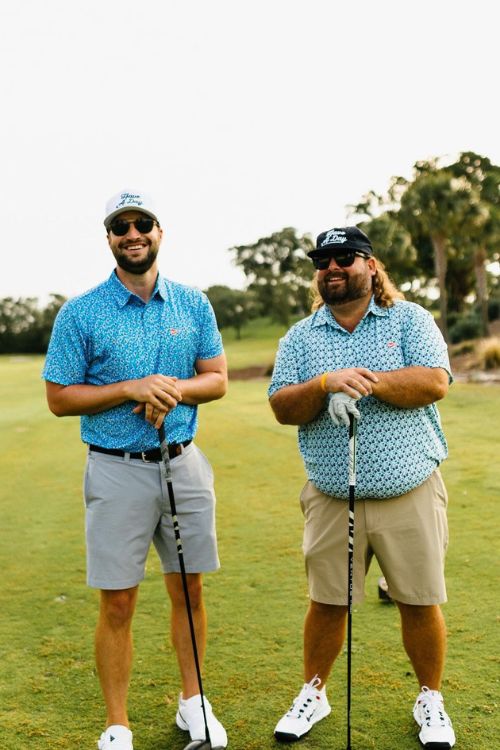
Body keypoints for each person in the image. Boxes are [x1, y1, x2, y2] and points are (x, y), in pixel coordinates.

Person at [43, 190, 228, 750]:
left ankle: (192, 704)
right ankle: (117, 724)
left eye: (141, 223)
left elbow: (216, 378)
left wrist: (169, 390)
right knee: (118, 599)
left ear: (158, 231)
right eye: (120, 226)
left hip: (183, 463)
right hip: (116, 469)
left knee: (189, 590)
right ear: (110, 238)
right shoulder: (81, 311)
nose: (132, 233)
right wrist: (130, 388)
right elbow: (58, 397)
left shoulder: (192, 304)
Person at [268, 226, 456, 749]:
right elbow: (282, 406)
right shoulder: (301, 338)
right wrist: (325, 383)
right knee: (327, 601)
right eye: (323, 260)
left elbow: (434, 382)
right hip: (332, 495)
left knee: (418, 601)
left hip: (408, 490)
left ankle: (430, 699)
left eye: (345, 258)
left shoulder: (409, 319)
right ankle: (314, 691)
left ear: (371, 266)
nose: (332, 267)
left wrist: (365, 379)